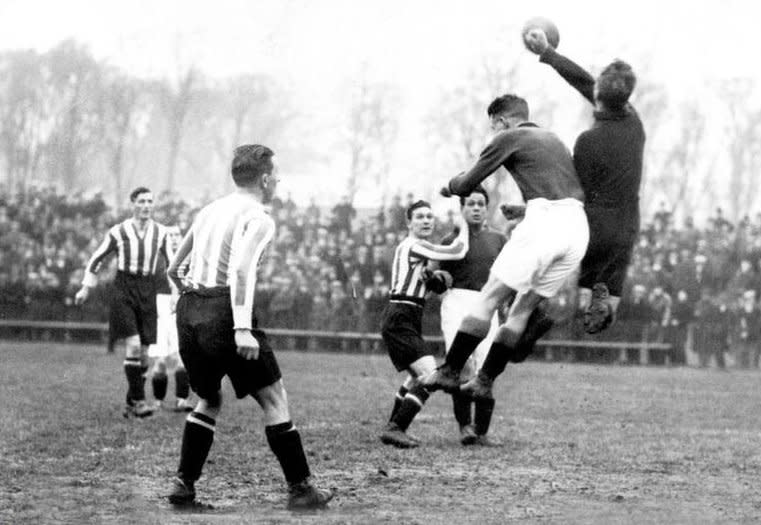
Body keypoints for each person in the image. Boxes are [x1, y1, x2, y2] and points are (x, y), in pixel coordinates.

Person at [165, 144, 333, 509]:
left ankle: (184, 485)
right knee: (274, 398)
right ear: (265, 178)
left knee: (208, 398)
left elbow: (173, 269)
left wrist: (192, 303)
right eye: (277, 175)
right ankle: (302, 489)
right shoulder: (258, 216)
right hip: (226, 312)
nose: (279, 181)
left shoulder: (209, 210)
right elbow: (241, 271)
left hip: (190, 309)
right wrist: (241, 327)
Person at [424, 93, 588, 399]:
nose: (493, 133)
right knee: (521, 309)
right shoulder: (554, 140)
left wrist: (449, 185)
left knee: (488, 297)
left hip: (545, 222)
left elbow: (467, 183)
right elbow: (565, 195)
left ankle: (449, 371)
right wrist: (526, 211)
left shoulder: (511, 136)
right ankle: (484, 381)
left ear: (501, 120)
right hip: (578, 229)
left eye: (493, 127)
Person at [524, 29, 645, 334]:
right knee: (610, 288)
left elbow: (574, 190)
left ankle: (547, 318)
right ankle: (605, 309)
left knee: (583, 287)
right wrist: (550, 54)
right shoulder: (634, 124)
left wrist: (549, 54)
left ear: (598, 98)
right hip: (628, 223)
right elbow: (587, 83)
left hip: (595, 225)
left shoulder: (588, 141)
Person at [74, 186, 174, 418]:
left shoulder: (161, 233)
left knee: (145, 354)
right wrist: (85, 287)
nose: (146, 206)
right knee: (134, 345)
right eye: (141, 201)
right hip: (124, 289)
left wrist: (178, 291)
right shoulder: (119, 231)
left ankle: (131, 401)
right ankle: (139, 402)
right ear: (133, 204)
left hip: (148, 289)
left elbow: (172, 264)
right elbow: (97, 258)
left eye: (150, 201)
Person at [379, 200, 469, 448]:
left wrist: (435, 280)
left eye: (430, 216)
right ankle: (396, 428)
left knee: (415, 379)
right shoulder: (415, 245)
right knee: (430, 376)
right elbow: (457, 251)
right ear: (409, 222)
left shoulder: (413, 250)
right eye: (420, 217)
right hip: (401, 316)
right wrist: (464, 225)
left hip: (406, 315)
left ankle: (392, 426)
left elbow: (427, 286)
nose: (427, 221)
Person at [438, 186, 506, 445]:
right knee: (462, 364)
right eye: (471, 204)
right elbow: (441, 278)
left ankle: (482, 431)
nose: (476, 208)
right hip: (457, 302)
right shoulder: (450, 241)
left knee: (487, 365)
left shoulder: (498, 240)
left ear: (486, 208)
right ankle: (465, 426)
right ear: (462, 209)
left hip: (487, 302)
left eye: (480, 204)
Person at [148, 224, 193, 412]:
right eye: (170, 235)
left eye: (177, 234)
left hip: (182, 306)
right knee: (160, 359)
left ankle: (181, 400)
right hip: (160, 307)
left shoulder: (190, 258)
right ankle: (158, 401)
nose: (174, 238)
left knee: (181, 355)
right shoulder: (157, 260)